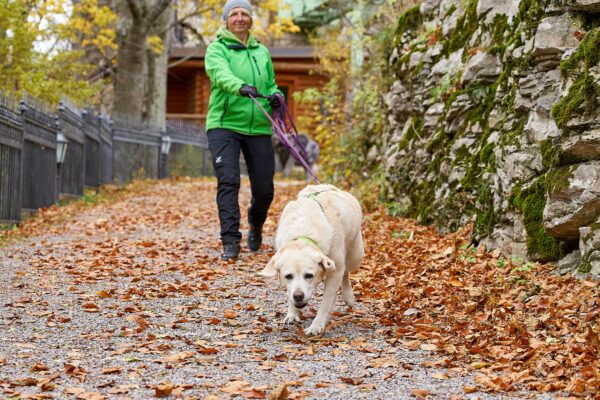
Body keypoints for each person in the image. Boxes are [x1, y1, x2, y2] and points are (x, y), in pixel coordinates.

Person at [205, 0, 283, 261]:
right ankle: (230, 240)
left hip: (258, 126)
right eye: (233, 14)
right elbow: (220, 75)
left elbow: (272, 84)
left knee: (264, 188)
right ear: (226, 20)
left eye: (244, 13)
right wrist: (240, 86)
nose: (239, 18)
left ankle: (256, 224)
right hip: (224, 124)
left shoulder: (262, 52)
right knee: (229, 180)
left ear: (250, 19)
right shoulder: (216, 49)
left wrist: (276, 97)